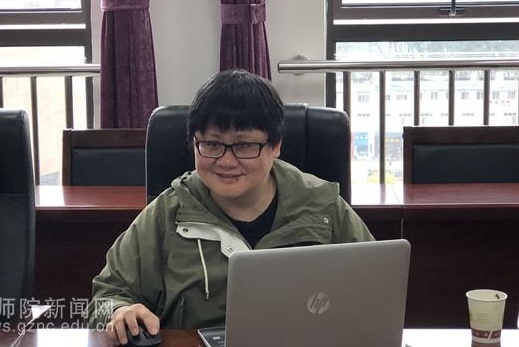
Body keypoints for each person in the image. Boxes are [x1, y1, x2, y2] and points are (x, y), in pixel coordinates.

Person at [86, 69, 374, 344]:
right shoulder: (168, 212)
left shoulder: (322, 207)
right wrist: (120, 312)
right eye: (212, 144)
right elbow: (106, 297)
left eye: (244, 145)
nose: (225, 161)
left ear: (275, 146)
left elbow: (376, 287)